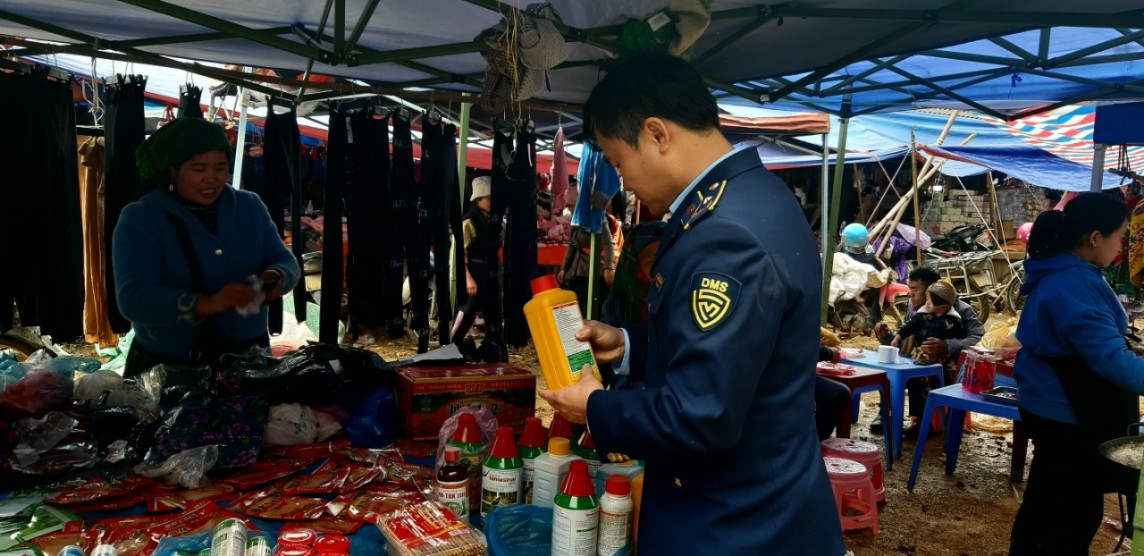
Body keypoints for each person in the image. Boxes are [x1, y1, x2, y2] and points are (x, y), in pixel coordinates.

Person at [538, 53, 845, 554]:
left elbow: (700, 415)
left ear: (657, 133)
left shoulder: (725, 233)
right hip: (763, 504)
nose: (623, 182)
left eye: (618, 162)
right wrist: (630, 344)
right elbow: (733, 350)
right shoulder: (759, 194)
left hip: (733, 524)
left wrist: (594, 408)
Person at [1009, 192, 1144, 554]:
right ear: (1095, 237)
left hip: (1046, 402)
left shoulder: (1061, 269)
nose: (1122, 246)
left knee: (1046, 502)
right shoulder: (1074, 283)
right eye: (1120, 236)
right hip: (1065, 413)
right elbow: (1111, 360)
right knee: (1071, 515)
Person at [113, 117, 300, 378]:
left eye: (220, 167)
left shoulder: (249, 206)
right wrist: (206, 304)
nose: (211, 178)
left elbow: (285, 260)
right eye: (198, 169)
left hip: (247, 359)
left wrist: (277, 277)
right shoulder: (142, 218)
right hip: (170, 368)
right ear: (172, 170)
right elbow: (133, 299)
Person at [873, 266, 984, 434]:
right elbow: (907, 336)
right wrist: (887, 337)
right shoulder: (915, 308)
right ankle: (884, 414)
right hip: (918, 359)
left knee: (919, 378)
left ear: (931, 290)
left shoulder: (959, 309)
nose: (910, 294)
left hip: (946, 367)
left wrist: (948, 345)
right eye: (909, 288)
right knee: (890, 372)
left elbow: (976, 336)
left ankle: (925, 423)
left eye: (915, 289)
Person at [451, 176, 499, 346]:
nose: (491, 202)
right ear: (479, 199)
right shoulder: (469, 221)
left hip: (487, 274)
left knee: (491, 313)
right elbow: (460, 254)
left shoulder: (489, 219)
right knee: (466, 311)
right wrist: (468, 279)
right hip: (473, 273)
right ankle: (451, 345)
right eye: (488, 198)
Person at [558, 182, 617, 318]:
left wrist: (609, 267)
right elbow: (572, 244)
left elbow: (609, 244)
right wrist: (564, 268)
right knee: (572, 308)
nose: (569, 209)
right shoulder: (576, 218)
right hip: (577, 272)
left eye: (571, 206)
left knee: (589, 311)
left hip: (594, 273)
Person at [889, 279, 965, 365]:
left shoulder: (953, 320)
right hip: (921, 355)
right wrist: (897, 337)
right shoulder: (923, 316)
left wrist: (946, 345)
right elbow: (909, 327)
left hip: (943, 360)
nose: (926, 303)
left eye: (929, 301)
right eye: (927, 299)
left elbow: (959, 338)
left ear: (943, 306)